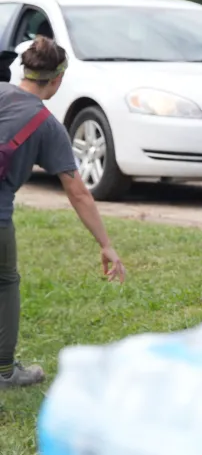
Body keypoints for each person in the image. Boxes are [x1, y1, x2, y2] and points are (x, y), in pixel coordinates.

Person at [0, 37, 126, 389]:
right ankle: (5, 371)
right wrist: (106, 244)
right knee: (5, 283)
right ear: (56, 80)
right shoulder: (47, 126)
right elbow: (78, 193)